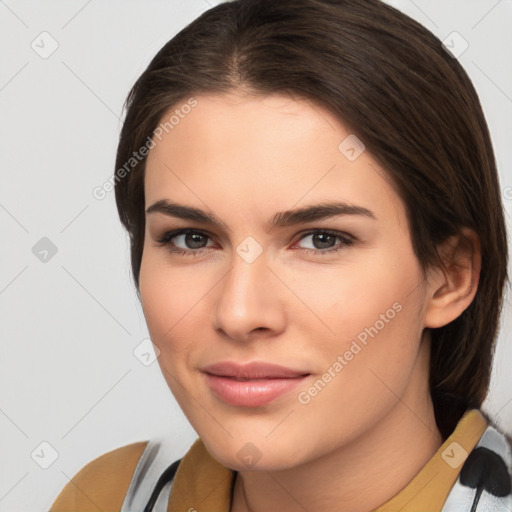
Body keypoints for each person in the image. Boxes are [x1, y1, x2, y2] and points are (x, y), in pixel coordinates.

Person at [49, 0, 512, 511]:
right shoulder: (106, 499)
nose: (240, 314)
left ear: (450, 276)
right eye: (192, 239)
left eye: (321, 239)